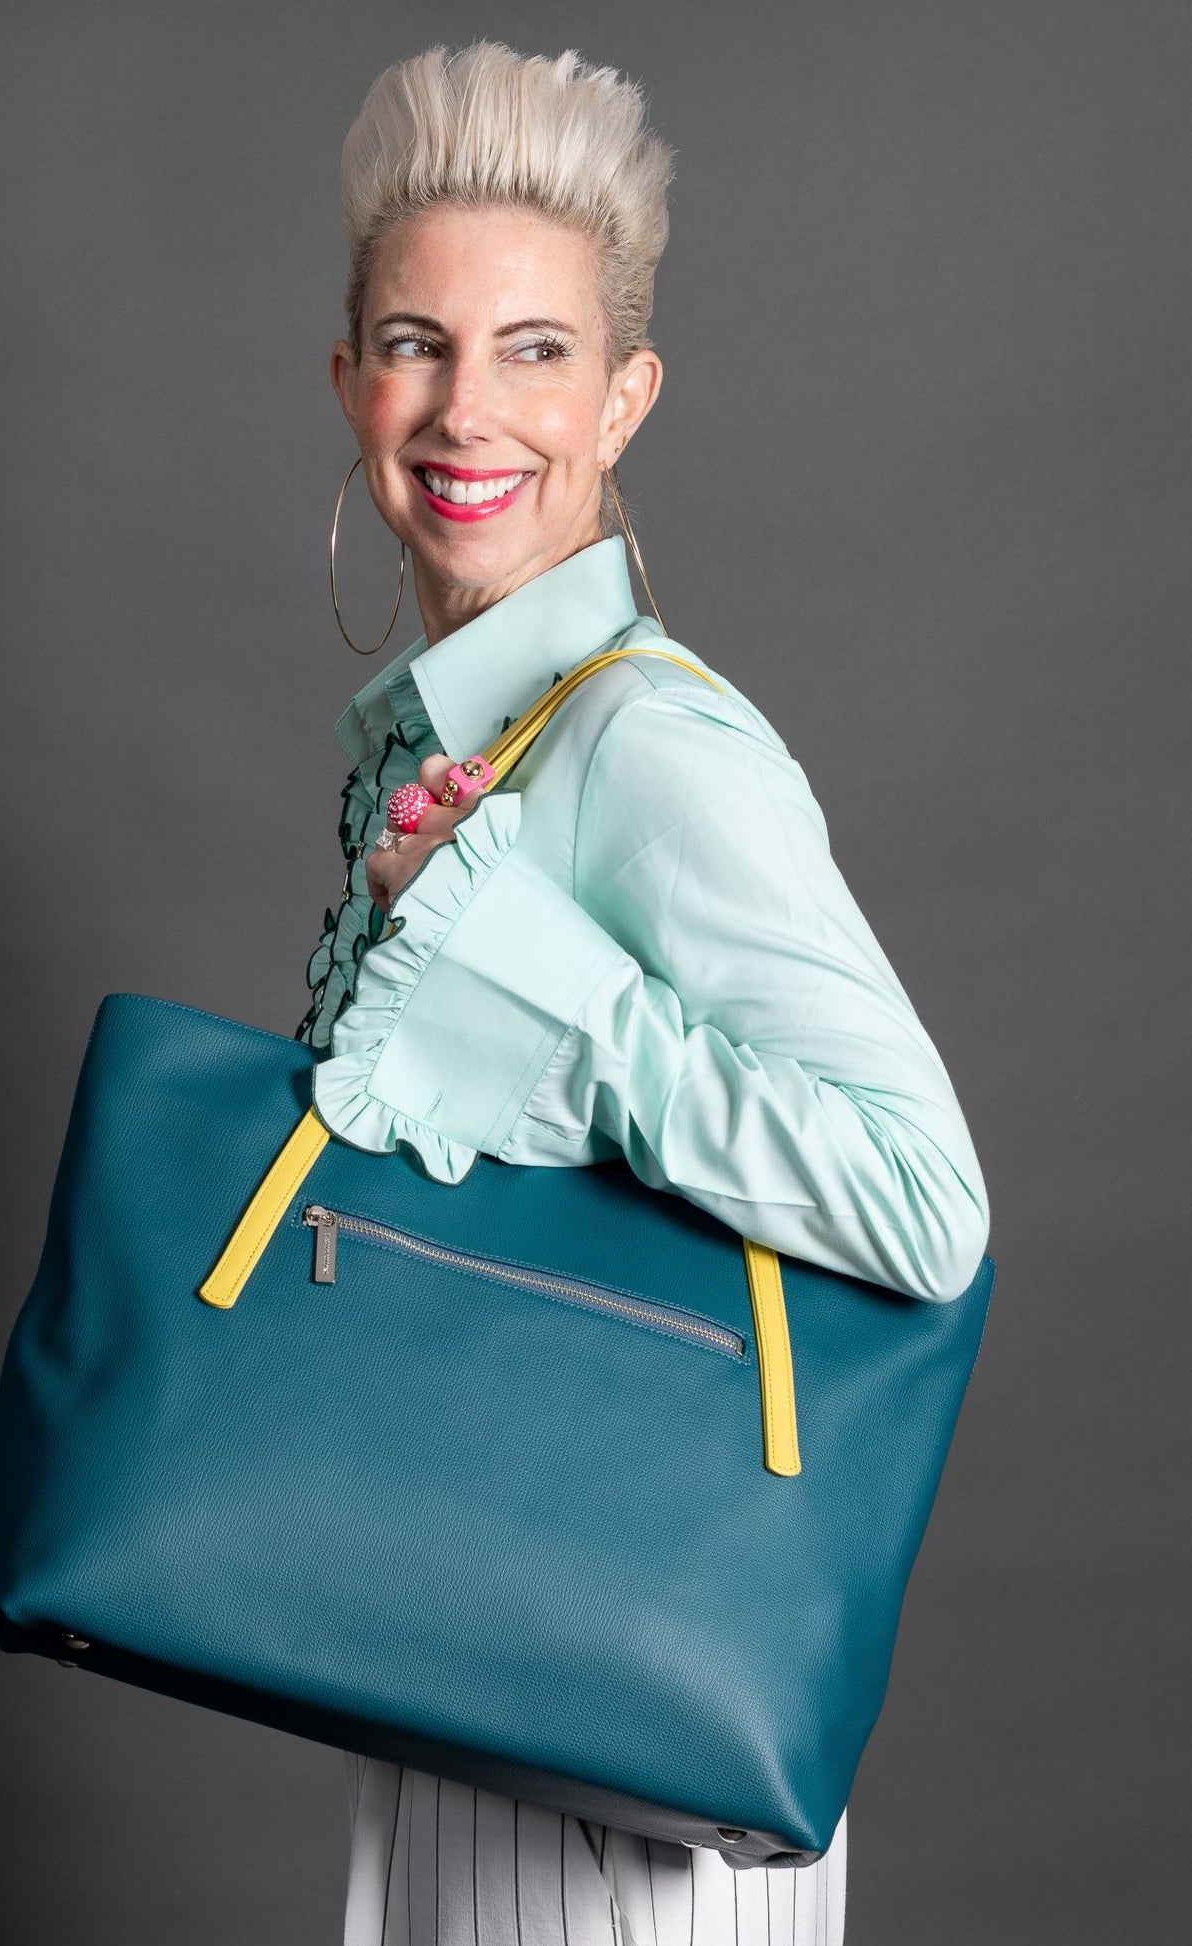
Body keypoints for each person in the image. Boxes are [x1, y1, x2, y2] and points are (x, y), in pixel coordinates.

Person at [295, 43, 990, 1946]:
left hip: (625, 1754)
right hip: (461, 1668)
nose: (464, 406)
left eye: (533, 350)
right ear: (349, 382)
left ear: (624, 399)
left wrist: (537, 974)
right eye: (415, 342)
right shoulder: (476, 745)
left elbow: (923, 1205)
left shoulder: (654, 751)